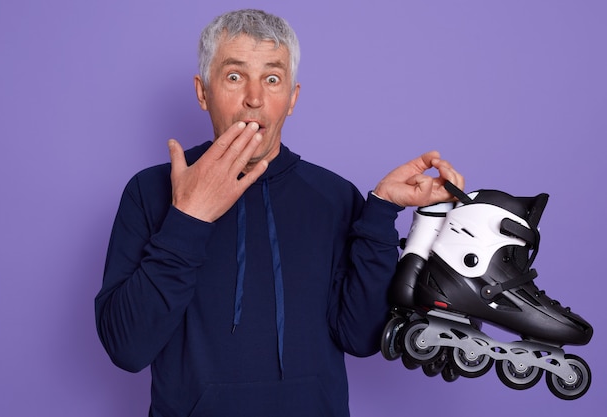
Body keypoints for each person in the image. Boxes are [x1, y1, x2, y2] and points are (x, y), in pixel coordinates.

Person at [95, 9, 464, 417]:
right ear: (203, 93)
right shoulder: (149, 192)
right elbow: (126, 347)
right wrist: (188, 217)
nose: (255, 97)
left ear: (292, 98)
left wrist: (381, 210)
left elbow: (361, 338)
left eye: (272, 79)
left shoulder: (335, 197)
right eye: (234, 76)